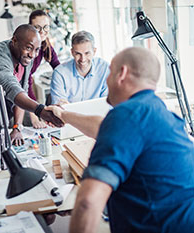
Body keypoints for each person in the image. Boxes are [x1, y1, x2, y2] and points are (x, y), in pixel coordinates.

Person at [46, 47, 194, 233]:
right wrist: (64, 115)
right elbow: (102, 127)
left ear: (121, 74)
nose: (106, 80)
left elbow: (87, 202)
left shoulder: (125, 116)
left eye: (110, 73)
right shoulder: (163, 115)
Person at [21, 9, 60, 129]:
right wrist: (34, 116)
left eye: (46, 27)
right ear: (30, 28)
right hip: (15, 92)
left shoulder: (45, 45)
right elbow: (24, 81)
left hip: (25, 88)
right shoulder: (24, 48)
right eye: (37, 28)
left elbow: (58, 68)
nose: (42, 32)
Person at [50, 31, 109, 105]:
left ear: (94, 51)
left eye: (87, 53)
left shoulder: (105, 68)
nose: (83, 59)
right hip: (69, 116)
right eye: (78, 54)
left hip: (98, 115)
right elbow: (60, 108)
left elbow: (108, 102)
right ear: (72, 52)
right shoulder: (60, 73)